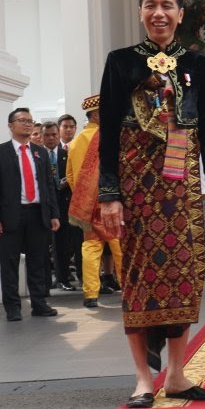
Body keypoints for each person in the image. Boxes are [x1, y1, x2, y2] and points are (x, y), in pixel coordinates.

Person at [97, 0, 205, 408]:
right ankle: (142, 380)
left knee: (183, 279)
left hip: (182, 189)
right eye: (150, 5)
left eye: (167, 5)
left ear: (181, 13)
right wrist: (109, 195)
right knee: (137, 280)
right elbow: (108, 134)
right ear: (140, 11)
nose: (159, 13)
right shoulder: (119, 63)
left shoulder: (199, 65)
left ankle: (176, 375)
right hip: (135, 190)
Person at [0, 108, 60, 321]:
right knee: (9, 263)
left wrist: (54, 214)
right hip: (10, 216)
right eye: (22, 120)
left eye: (30, 121)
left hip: (38, 214)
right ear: (10, 125)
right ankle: (13, 307)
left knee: (38, 261)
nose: (27, 124)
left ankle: (39, 303)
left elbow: (48, 186)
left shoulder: (40, 152)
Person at [67, 94, 123, 308]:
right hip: (110, 201)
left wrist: (83, 196)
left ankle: (90, 294)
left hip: (87, 204)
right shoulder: (108, 137)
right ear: (98, 114)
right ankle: (128, 289)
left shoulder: (75, 142)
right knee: (119, 245)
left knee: (90, 246)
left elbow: (71, 176)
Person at [41, 121, 77, 292]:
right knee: (42, 245)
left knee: (62, 243)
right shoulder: (37, 155)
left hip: (63, 204)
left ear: (58, 135)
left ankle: (63, 279)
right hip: (42, 206)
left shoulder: (67, 154)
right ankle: (45, 281)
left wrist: (67, 182)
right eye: (47, 135)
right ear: (41, 136)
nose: (51, 138)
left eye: (54, 135)